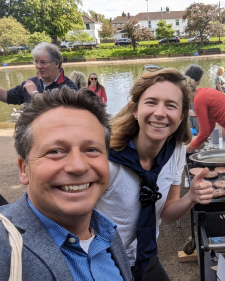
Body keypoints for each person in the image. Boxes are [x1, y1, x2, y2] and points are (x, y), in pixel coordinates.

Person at [0, 87, 133, 281]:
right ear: (24, 169)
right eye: (55, 151)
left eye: (91, 149)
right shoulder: (6, 245)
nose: (78, 166)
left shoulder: (108, 233)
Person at [95, 67, 213, 281]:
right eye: (151, 102)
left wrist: (191, 197)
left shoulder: (176, 151)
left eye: (171, 105)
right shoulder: (106, 159)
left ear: (181, 117)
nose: (160, 112)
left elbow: (167, 214)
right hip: (103, 263)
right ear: (134, 109)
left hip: (146, 255)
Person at [0, 42, 78, 105]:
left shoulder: (70, 87)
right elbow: (8, 96)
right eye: (36, 62)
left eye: (43, 62)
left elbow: (56, 110)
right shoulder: (31, 82)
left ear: (57, 64)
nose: (38, 66)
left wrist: (34, 93)